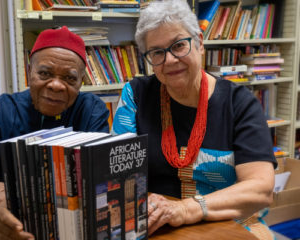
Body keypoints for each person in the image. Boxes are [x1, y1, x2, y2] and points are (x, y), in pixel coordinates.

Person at [111, 1, 276, 239]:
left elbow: (260, 189)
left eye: (178, 45)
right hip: (158, 225)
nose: (169, 60)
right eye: (157, 52)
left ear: (199, 42)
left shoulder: (239, 103)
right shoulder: (135, 95)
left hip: (233, 225)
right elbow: (117, 176)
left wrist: (186, 209)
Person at [0, 26, 109, 240]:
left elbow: (98, 179)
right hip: (10, 220)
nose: (56, 85)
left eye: (69, 78)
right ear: (30, 71)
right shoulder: (1, 110)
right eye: (45, 73)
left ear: (82, 82)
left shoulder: (92, 110)